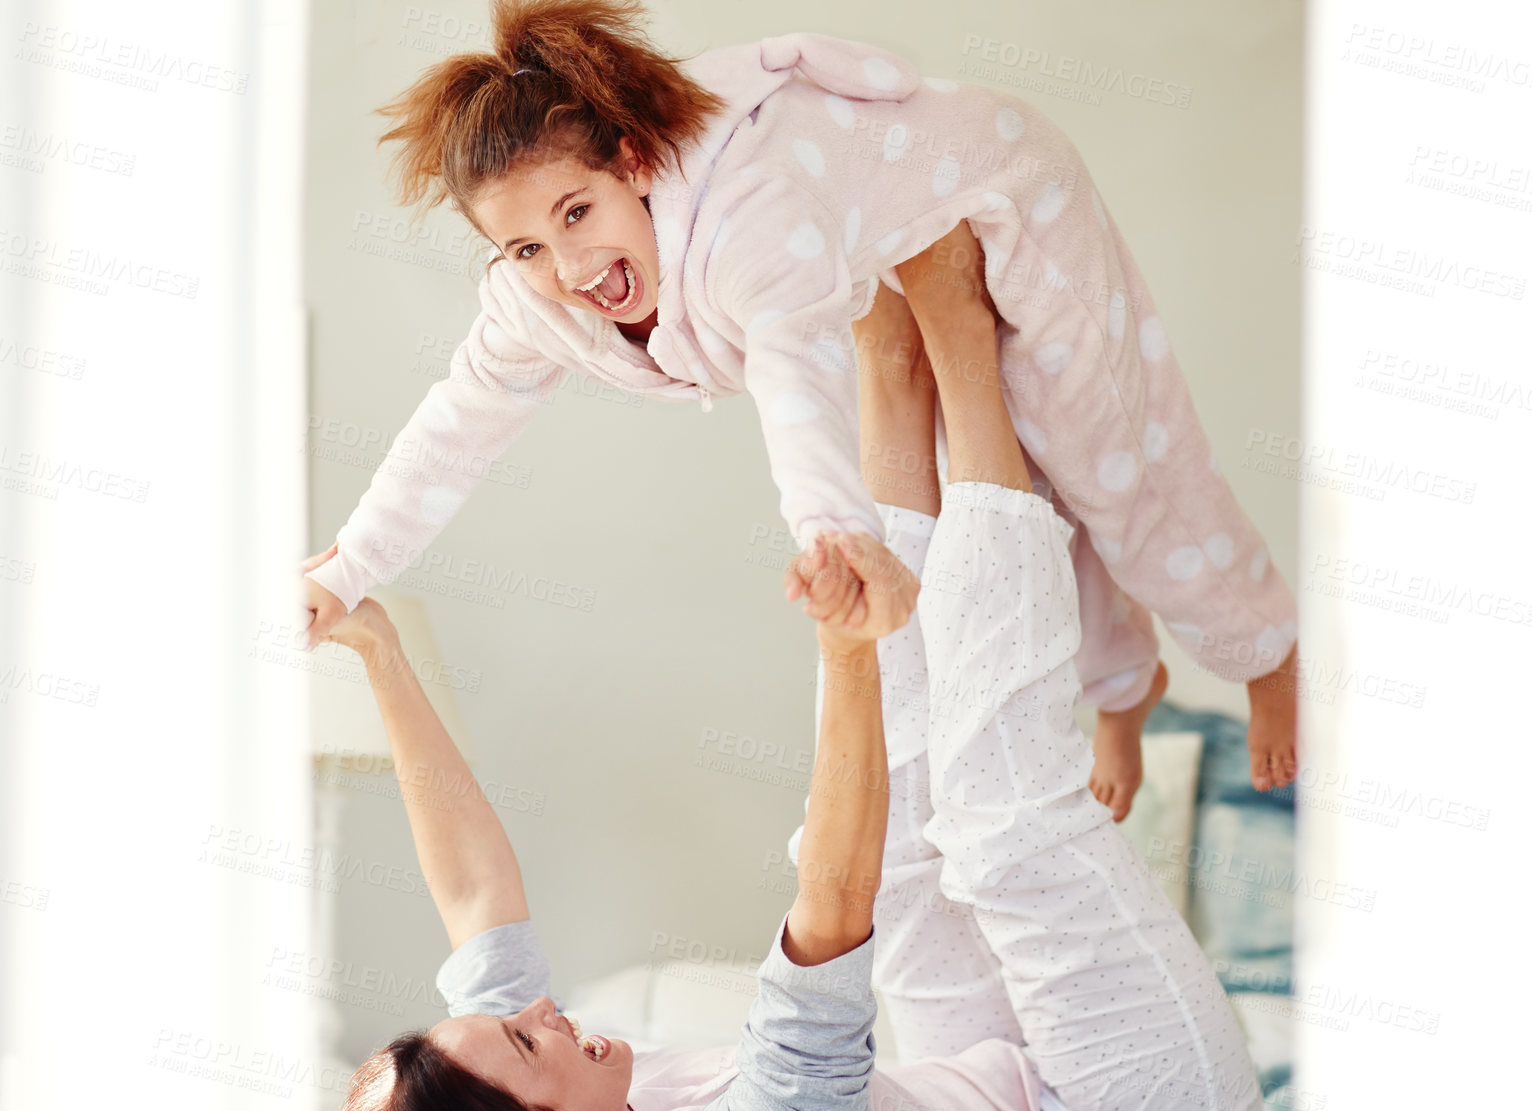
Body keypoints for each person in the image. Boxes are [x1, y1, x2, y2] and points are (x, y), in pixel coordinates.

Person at [314, 281, 1265, 1111]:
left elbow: (477, 894)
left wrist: (378, 649)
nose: (541, 1010)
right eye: (526, 1038)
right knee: (999, 814)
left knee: (902, 866)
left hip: (982, 1087)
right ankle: (963, 343)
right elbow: (832, 897)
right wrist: (849, 645)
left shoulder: (533, 1098)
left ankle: (890, 365)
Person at [298, 0, 1300, 820]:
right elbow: (451, 430)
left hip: (1005, 183)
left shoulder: (748, 221)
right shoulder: (533, 302)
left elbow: (792, 376)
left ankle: (1262, 645)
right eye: (524, 249)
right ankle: (1123, 692)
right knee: (1007, 485)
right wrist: (346, 572)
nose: (569, 268)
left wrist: (829, 530)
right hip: (878, 229)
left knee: (1104, 455)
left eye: (577, 215)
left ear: (634, 164)